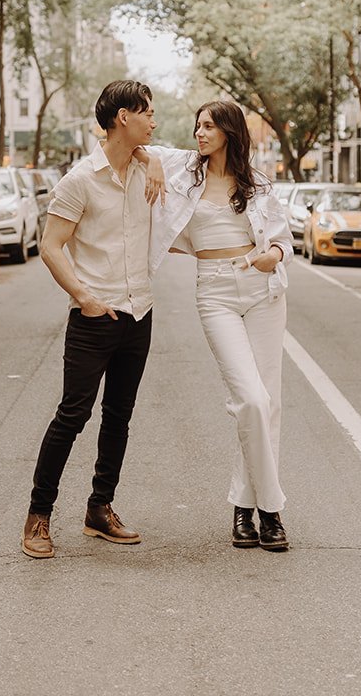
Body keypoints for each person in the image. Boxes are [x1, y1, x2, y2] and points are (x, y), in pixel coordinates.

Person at [22, 80, 161, 560]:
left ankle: (99, 510)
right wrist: (84, 297)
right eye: (147, 113)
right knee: (72, 416)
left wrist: (154, 159)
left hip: (138, 313)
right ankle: (39, 516)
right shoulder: (79, 179)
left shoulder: (145, 169)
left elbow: (188, 158)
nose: (153, 121)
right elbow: (50, 246)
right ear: (123, 117)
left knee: (118, 418)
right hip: (94, 317)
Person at [146, 101, 293, 552]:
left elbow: (283, 240)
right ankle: (271, 509)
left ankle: (243, 509)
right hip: (214, 292)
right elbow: (123, 143)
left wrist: (275, 255)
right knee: (249, 399)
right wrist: (151, 163)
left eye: (209, 125)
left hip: (262, 287)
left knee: (266, 404)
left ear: (229, 130)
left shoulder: (260, 184)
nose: (200, 132)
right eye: (197, 126)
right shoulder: (184, 172)